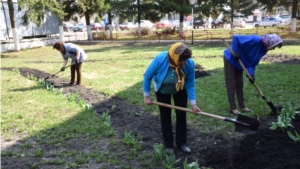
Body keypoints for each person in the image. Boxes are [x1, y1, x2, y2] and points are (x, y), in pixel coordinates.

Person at [143, 42, 201, 154]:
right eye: (181, 60)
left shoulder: (189, 64)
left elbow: (190, 84)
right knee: (165, 116)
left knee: (181, 114)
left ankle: (181, 143)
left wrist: (193, 104)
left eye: (185, 60)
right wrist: (147, 96)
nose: (183, 63)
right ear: (174, 56)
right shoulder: (160, 59)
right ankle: (169, 145)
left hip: (180, 89)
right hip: (162, 90)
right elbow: (147, 76)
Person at [223, 34, 283, 115]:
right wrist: (236, 51)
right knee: (231, 83)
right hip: (231, 58)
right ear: (270, 43)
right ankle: (233, 108)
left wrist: (251, 74)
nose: (273, 49)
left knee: (239, 84)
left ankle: (242, 106)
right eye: (274, 46)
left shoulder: (263, 49)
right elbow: (236, 37)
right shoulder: (255, 40)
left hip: (240, 63)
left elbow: (252, 62)